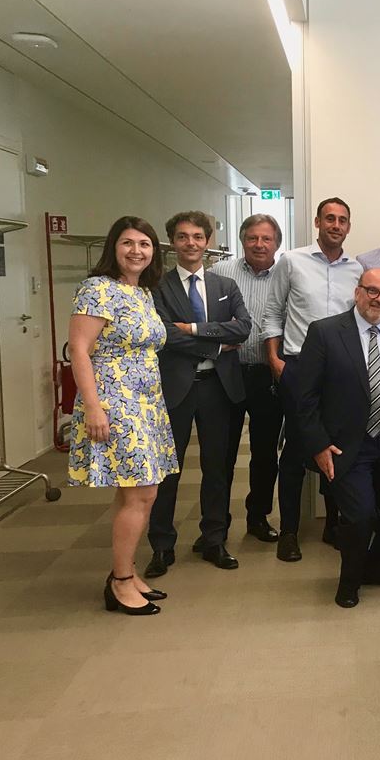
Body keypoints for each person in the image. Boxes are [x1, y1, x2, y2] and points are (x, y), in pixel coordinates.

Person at [292, 269, 380, 609]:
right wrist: (319, 444)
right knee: (360, 515)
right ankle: (349, 581)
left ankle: (376, 568)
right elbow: (304, 397)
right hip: (346, 441)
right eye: (372, 291)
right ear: (357, 292)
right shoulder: (325, 332)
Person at [69, 216, 178, 615]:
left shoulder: (142, 292)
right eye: (128, 243)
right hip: (116, 402)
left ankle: (127, 572)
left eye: (144, 244)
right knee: (142, 492)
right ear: (113, 247)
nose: (137, 251)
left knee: (134, 492)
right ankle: (119, 583)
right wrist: (93, 407)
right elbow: (79, 350)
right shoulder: (97, 289)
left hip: (147, 403)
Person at [146, 212, 251, 578]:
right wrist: (217, 346)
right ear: (172, 242)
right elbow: (163, 334)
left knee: (217, 467)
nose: (190, 243)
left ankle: (214, 538)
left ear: (207, 242)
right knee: (167, 470)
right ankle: (161, 545)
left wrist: (191, 328)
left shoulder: (226, 285)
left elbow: (243, 328)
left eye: (197, 236)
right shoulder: (157, 286)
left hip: (217, 388)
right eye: (182, 237)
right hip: (175, 388)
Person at [263, 197, 363, 562]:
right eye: (330, 218)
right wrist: (275, 360)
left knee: (336, 446)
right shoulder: (292, 261)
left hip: (340, 371)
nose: (336, 225)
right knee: (295, 453)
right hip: (298, 366)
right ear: (318, 222)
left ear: (348, 226)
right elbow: (273, 312)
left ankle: (333, 524)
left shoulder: (357, 269)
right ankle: (289, 531)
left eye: (342, 220)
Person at [208, 214, 284, 545]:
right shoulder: (220, 272)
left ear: (277, 243)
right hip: (227, 373)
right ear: (242, 240)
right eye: (252, 238)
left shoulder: (286, 274)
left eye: (266, 239)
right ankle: (217, 524)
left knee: (265, 453)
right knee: (221, 453)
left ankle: (258, 517)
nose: (259, 244)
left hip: (267, 375)